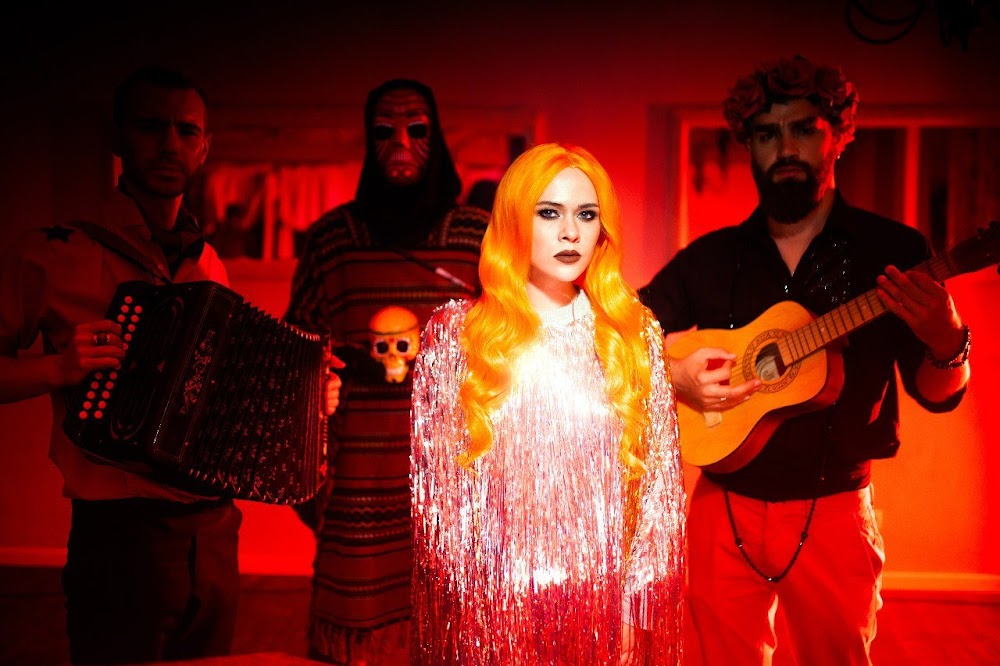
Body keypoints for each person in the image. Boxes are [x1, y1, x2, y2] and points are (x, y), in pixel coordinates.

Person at [0, 65, 339, 665]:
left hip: (213, 530)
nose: (169, 144)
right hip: (118, 530)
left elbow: (219, 398)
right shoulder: (51, 252)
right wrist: (56, 368)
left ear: (204, 147)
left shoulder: (209, 262)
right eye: (151, 127)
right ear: (119, 137)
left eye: (187, 131)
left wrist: (305, 395)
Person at [639, 55, 971, 665]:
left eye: (803, 129)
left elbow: (936, 393)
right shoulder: (710, 258)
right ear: (749, 145)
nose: (785, 148)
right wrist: (673, 372)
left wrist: (948, 340)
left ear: (839, 135)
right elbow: (624, 331)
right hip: (721, 503)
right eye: (767, 134)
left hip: (836, 507)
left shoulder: (892, 252)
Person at [410, 143, 686, 664]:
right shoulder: (457, 338)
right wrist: (479, 614)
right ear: (515, 219)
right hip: (492, 616)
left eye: (587, 215)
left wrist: (637, 610)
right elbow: (440, 504)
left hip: (602, 611)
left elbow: (658, 494)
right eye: (550, 213)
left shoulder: (631, 335)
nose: (571, 233)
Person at [285, 78, 490, 664]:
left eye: (415, 129)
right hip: (359, 476)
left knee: (453, 626)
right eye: (384, 130)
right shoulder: (333, 241)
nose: (400, 143)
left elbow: (507, 345)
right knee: (360, 631)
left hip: (454, 475)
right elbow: (297, 353)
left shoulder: (475, 237)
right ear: (368, 140)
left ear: (436, 137)